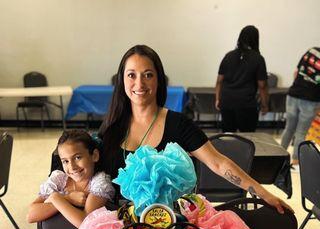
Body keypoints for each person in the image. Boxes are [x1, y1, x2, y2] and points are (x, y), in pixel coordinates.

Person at [99, 44, 291, 214]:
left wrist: (264, 194)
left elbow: (218, 163)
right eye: (131, 75)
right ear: (122, 80)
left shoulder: (178, 124)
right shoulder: (111, 127)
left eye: (148, 75)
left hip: (168, 226)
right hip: (118, 226)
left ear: (159, 79)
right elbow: (91, 174)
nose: (139, 83)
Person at [27, 130, 115, 228]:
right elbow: (31, 215)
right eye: (65, 161)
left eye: (77, 157)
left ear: (94, 156)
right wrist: (67, 199)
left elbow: (85, 223)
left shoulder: (100, 183)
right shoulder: (59, 179)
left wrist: (55, 197)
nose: (72, 167)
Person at [215, 25, 269, 132]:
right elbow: (262, 86)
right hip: (246, 104)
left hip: (226, 102)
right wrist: (264, 105)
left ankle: (228, 149)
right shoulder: (258, 59)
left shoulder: (228, 56)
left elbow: (219, 81)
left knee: (228, 136)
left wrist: (217, 99)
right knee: (247, 137)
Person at [280, 47, 320, 171]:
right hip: (311, 99)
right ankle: (296, 162)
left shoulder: (311, 51)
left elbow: (296, 73)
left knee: (289, 129)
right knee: (301, 133)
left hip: (294, 94)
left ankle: (279, 157)